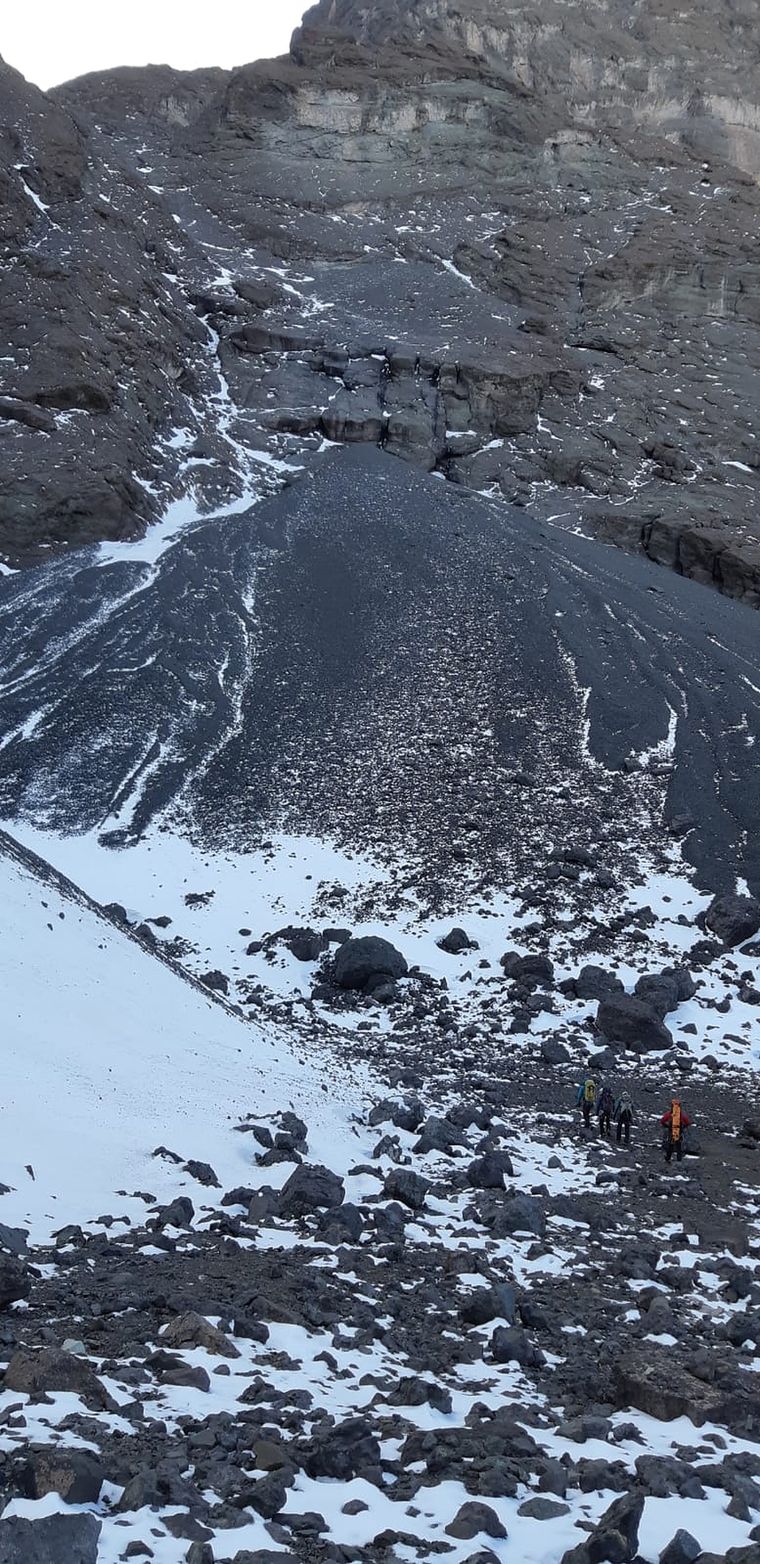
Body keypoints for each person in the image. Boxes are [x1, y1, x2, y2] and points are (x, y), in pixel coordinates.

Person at [661, 1097, 691, 1163]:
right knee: (678, 1146)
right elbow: (688, 1122)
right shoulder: (681, 1115)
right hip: (679, 1131)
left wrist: (667, 1126)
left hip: (671, 1131)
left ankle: (668, 1158)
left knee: (670, 1145)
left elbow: (662, 1121)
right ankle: (679, 1159)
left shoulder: (669, 1114)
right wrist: (683, 1127)